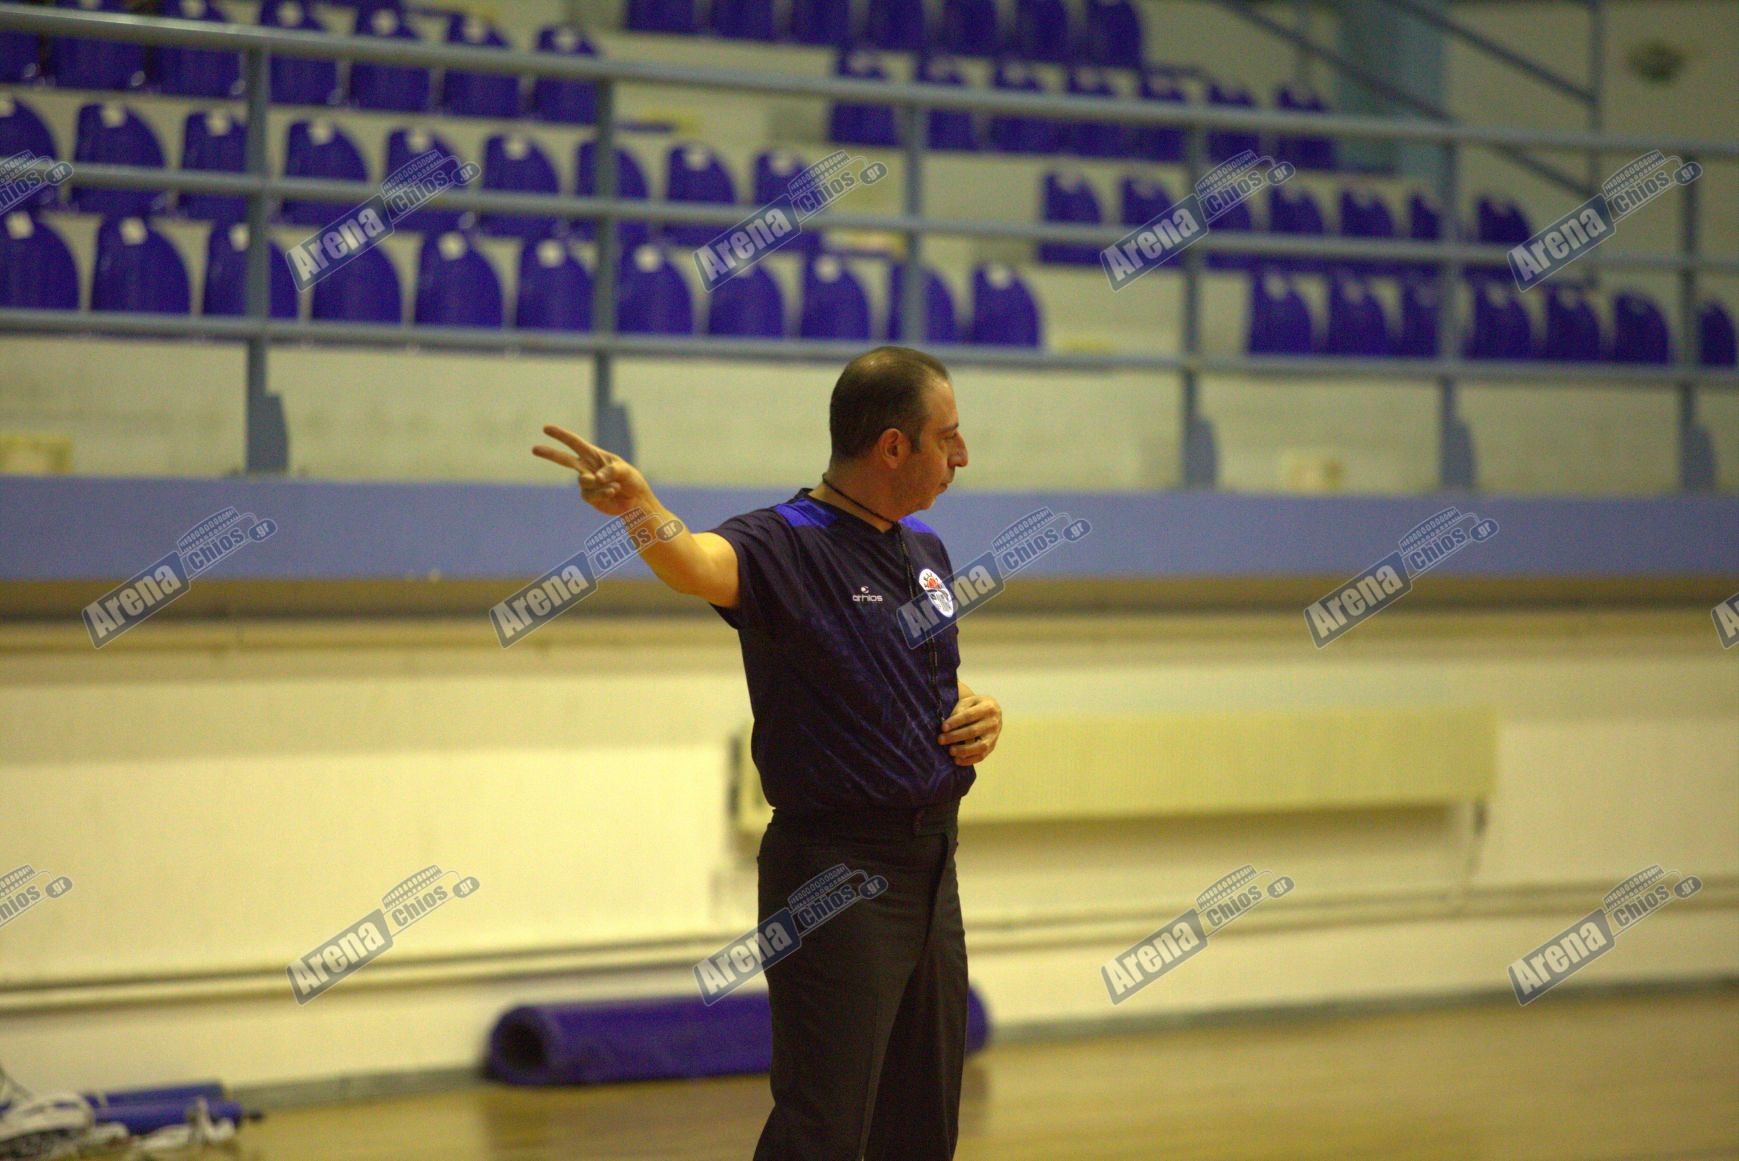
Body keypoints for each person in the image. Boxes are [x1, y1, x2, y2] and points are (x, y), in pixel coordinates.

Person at [533, 345, 1001, 1160]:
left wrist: (976, 710)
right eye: (947, 436)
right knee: (824, 1126)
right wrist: (640, 508)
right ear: (893, 446)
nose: (961, 454)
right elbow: (693, 564)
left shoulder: (925, 549)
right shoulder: (786, 541)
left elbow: (924, 676)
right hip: (836, 871)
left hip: (933, 863)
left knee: (922, 1123)